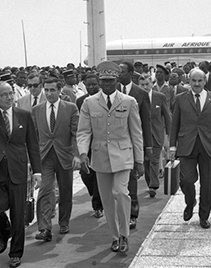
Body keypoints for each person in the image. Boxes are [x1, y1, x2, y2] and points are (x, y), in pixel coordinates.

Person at [0, 70, 42, 268]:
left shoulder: (24, 115)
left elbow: (33, 145)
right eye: (4, 95)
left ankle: (16, 252)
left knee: (18, 214)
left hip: (18, 168)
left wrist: (37, 171)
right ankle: (4, 234)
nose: (9, 97)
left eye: (11, 93)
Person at [77, 61, 144, 253]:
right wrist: (83, 153)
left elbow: (136, 133)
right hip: (100, 158)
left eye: (111, 80)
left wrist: (139, 161)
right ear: (99, 80)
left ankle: (124, 234)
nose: (107, 84)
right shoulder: (89, 103)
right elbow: (83, 132)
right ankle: (115, 237)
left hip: (124, 156)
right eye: (103, 80)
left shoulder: (129, 101)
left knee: (121, 193)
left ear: (117, 80)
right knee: (107, 200)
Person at [170, 68, 211, 229]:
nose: (197, 84)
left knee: (208, 183)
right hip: (186, 146)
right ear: (189, 82)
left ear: (205, 81)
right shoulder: (180, 99)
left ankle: (204, 216)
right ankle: (190, 202)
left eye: (200, 81)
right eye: (193, 81)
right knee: (186, 180)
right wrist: (171, 146)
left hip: (208, 146)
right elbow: (174, 124)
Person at [31, 77, 80, 242]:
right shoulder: (37, 110)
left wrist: (77, 155)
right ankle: (44, 228)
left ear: (60, 91)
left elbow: (75, 133)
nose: (49, 93)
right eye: (46, 90)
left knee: (65, 191)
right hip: (44, 156)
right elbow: (34, 136)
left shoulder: (71, 108)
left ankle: (64, 221)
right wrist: (32, 159)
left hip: (64, 155)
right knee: (45, 189)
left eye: (52, 90)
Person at [118, 61, 152, 230]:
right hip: (115, 145)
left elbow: (146, 122)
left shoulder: (140, 93)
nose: (118, 75)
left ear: (131, 74)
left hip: (133, 145)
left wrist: (148, 147)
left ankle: (132, 214)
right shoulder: (112, 91)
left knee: (131, 181)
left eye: (122, 72)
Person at [75, 74, 103, 218]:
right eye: (88, 84)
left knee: (98, 173)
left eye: (94, 84)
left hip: (100, 142)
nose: (91, 87)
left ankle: (98, 205)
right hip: (86, 143)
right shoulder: (80, 101)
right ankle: (95, 194)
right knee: (85, 174)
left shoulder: (103, 99)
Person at [139, 75, 171, 198]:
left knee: (154, 159)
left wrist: (169, 135)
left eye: (147, 84)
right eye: (142, 85)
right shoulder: (136, 97)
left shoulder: (159, 97)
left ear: (152, 84)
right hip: (141, 135)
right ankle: (149, 183)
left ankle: (153, 185)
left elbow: (167, 117)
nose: (145, 87)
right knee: (146, 161)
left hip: (156, 134)